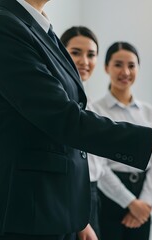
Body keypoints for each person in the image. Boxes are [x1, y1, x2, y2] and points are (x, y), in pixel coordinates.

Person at [0, 1, 152, 239]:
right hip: (21, 212)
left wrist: (78, 219)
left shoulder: (41, 29)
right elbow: (64, 118)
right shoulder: (2, 27)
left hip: (55, 209)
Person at [90, 41, 152, 240]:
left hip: (142, 193)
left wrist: (145, 202)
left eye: (131, 65)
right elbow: (99, 166)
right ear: (106, 67)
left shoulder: (148, 112)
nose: (125, 72)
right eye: (118, 64)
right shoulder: (95, 111)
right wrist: (130, 203)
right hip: (110, 196)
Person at [59, 26, 103, 240]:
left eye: (91, 54)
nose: (85, 61)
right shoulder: (61, 102)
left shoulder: (91, 103)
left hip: (92, 195)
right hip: (72, 197)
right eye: (76, 52)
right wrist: (81, 220)